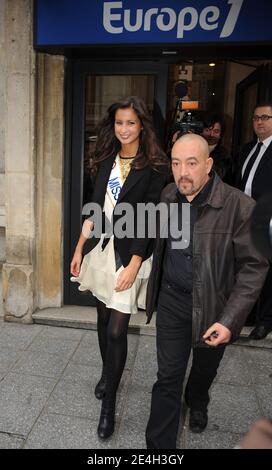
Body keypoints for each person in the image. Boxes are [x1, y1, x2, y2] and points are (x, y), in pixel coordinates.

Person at [145, 133, 268, 449]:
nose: (182, 172)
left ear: (209, 165)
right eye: (176, 163)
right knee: (167, 378)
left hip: (215, 306)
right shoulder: (168, 195)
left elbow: (254, 267)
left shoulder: (240, 207)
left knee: (203, 369)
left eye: (191, 163)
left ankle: (197, 400)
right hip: (172, 300)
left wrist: (230, 320)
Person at [70, 96, 168, 440]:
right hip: (100, 251)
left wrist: (135, 263)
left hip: (130, 255)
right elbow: (94, 210)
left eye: (130, 122)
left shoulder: (155, 165)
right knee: (100, 319)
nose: (123, 129)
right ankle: (107, 374)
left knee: (116, 330)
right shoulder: (105, 159)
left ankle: (108, 405)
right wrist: (80, 248)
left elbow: (153, 219)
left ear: (142, 125)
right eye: (118, 123)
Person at [235, 102, 272, 340]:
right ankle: (246, 314)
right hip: (243, 219)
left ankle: (265, 320)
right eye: (256, 117)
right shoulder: (247, 149)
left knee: (266, 271)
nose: (259, 121)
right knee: (245, 267)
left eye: (266, 117)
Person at [201, 113, 231, 181]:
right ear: (201, 131)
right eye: (207, 130)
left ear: (221, 134)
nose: (211, 134)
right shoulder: (193, 147)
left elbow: (216, 176)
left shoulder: (224, 155)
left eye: (216, 131)